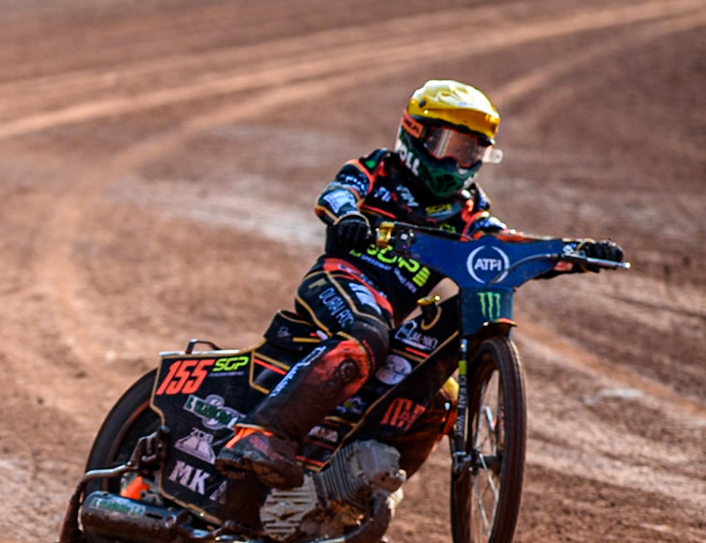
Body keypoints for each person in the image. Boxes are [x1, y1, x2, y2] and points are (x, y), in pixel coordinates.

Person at [216, 80, 623, 491]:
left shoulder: (467, 209)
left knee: (441, 399)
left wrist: (573, 252)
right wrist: (349, 218)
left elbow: (501, 244)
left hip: (389, 316)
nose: (457, 162)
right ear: (416, 133)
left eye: (471, 151)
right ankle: (262, 435)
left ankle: (360, 495)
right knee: (366, 335)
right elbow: (336, 195)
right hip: (338, 282)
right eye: (449, 144)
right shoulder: (377, 170)